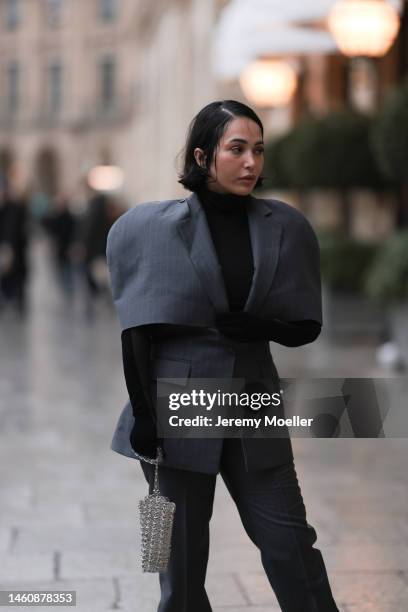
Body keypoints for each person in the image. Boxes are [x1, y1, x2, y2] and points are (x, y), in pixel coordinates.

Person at [106, 100, 339, 612]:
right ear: (202, 156)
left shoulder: (286, 226)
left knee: (290, 544)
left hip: (254, 404)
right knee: (179, 567)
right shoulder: (150, 228)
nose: (251, 163)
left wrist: (265, 327)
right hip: (175, 413)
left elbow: (306, 326)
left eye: (258, 149)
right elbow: (137, 333)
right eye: (236, 149)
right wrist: (146, 415)